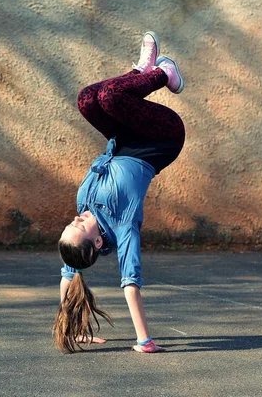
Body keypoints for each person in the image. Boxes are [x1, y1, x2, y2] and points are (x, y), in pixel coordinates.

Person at [52, 31, 186, 354]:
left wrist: (74, 329)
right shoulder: (123, 225)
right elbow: (130, 285)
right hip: (162, 139)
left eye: (70, 223)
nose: (76, 218)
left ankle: (143, 70)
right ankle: (163, 74)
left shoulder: (84, 205)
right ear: (98, 241)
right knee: (111, 97)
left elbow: (70, 277)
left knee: (87, 99)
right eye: (79, 227)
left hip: (125, 136)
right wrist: (144, 340)